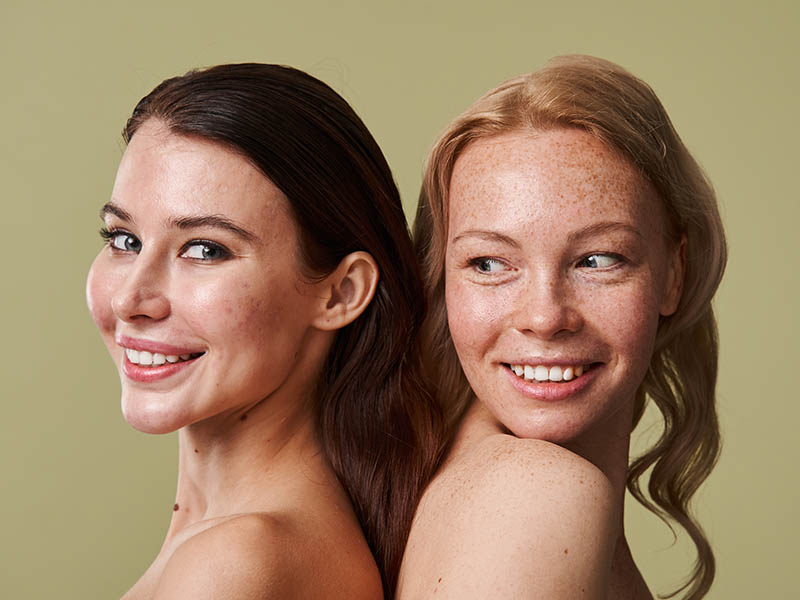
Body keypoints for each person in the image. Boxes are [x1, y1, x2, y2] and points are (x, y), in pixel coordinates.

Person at [86, 63, 441, 599]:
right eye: (123, 240)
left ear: (341, 292)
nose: (130, 300)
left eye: (205, 249)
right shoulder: (242, 544)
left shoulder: (236, 562)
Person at [398, 55, 726, 600]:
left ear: (675, 273)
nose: (546, 317)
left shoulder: (496, 488)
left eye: (597, 260)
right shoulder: (535, 495)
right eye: (489, 263)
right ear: (442, 280)